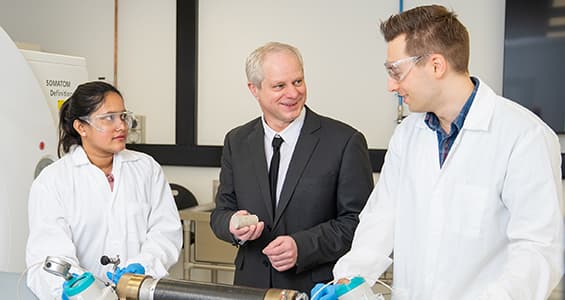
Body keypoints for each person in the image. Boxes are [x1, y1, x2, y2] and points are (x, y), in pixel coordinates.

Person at [327, 5, 564, 300]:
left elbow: (538, 250)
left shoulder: (523, 136)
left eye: (396, 71)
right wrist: (349, 278)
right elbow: (382, 216)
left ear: (436, 65)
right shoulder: (408, 134)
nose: (391, 85)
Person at [210, 41, 374, 293]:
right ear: (254, 89)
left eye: (298, 81)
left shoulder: (344, 141)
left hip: (314, 289)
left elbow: (360, 222)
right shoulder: (237, 141)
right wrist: (232, 225)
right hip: (250, 290)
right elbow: (221, 212)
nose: (293, 93)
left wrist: (303, 247)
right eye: (279, 86)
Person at [26, 81, 182, 299]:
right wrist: (84, 292)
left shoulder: (146, 168)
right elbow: (50, 257)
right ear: (81, 127)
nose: (121, 126)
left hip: (140, 292)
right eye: (109, 118)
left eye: (123, 116)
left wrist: (144, 267)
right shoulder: (53, 181)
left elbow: (166, 231)